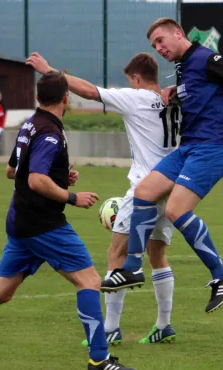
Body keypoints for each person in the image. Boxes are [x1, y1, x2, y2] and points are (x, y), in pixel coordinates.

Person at [0, 72, 135, 370]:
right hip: (42, 224)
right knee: (89, 282)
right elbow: (34, 179)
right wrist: (71, 196)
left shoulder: (30, 124)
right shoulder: (49, 132)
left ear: (38, 98)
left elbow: (12, 171)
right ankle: (99, 360)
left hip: (20, 220)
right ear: (65, 98)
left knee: (1, 291)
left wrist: (58, 176)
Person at [100, 18, 223, 314]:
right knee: (145, 190)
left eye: (161, 41)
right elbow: (199, 93)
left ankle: (222, 274)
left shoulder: (208, 58)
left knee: (175, 210)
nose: (158, 48)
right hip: (189, 148)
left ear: (178, 33)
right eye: (153, 45)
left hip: (214, 148)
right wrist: (175, 92)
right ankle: (133, 267)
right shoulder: (185, 68)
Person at [27, 51, 178, 345]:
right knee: (157, 254)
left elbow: (88, 90)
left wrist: (50, 71)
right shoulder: (172, 100)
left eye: (130, 82)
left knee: (116, 254)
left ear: (136, 79)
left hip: (144, 189)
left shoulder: (137, 98)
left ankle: (110, 329)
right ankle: (164, 325)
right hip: (169, 186)